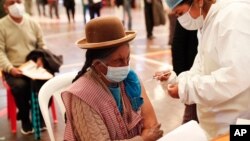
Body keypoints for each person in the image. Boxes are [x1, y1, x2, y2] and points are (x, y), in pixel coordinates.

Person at [155, 0, 250, 140]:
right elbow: (200, 69)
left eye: (181, 13)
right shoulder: (206, 23)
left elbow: (237, 76)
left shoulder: (233, 17)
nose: (181, 19)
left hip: (237, 125)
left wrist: (187, 89)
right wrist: (177, 81)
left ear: (199, 1)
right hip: (216, 126)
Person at [62, 16, 163, 141]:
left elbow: (152, 126)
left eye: (128, 58)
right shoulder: (82, 96)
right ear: (99, 65)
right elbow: (148, 136)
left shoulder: (130, 80)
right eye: (118, 61)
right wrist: (142, 139)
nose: (126, 66)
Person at [0, 0, 47, 135]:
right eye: (12, 2)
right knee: (21, 86)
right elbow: (0, 51)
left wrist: (41, 58)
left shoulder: (32, 22)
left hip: (33, 67)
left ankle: (41, 115)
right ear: (6, 7)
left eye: (18, 1)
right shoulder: (2, 25)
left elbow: (42, 44)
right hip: (13, 68)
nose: (16, 5)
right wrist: (10, 68)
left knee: (46, 83)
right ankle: (25, 119)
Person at [171, 20, 198, 124]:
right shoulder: (188, 16)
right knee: (190, 120)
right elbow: (178, 44)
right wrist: (180, 80)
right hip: (192, 78)